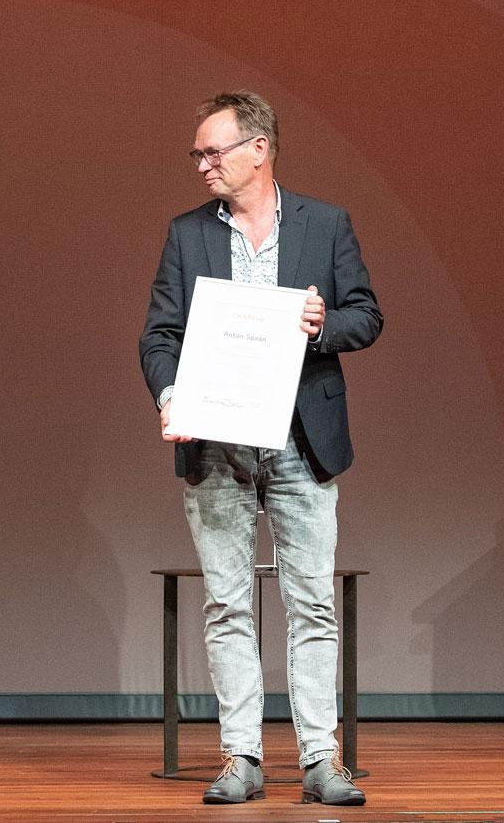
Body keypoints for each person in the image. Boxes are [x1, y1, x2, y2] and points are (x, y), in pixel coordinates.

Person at [139, 91, 382, 805]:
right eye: (198, 154)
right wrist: (170, 397)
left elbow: (366, 314)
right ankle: (240, 755)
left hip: (301, 439)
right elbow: (159, 336)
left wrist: (321, 322)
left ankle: (320, 759)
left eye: (214, 151)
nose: (203, 165)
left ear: (259, 149)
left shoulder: (326, 224)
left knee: (312, 603)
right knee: (227, 603)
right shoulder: (187, 234)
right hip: (217, 442)